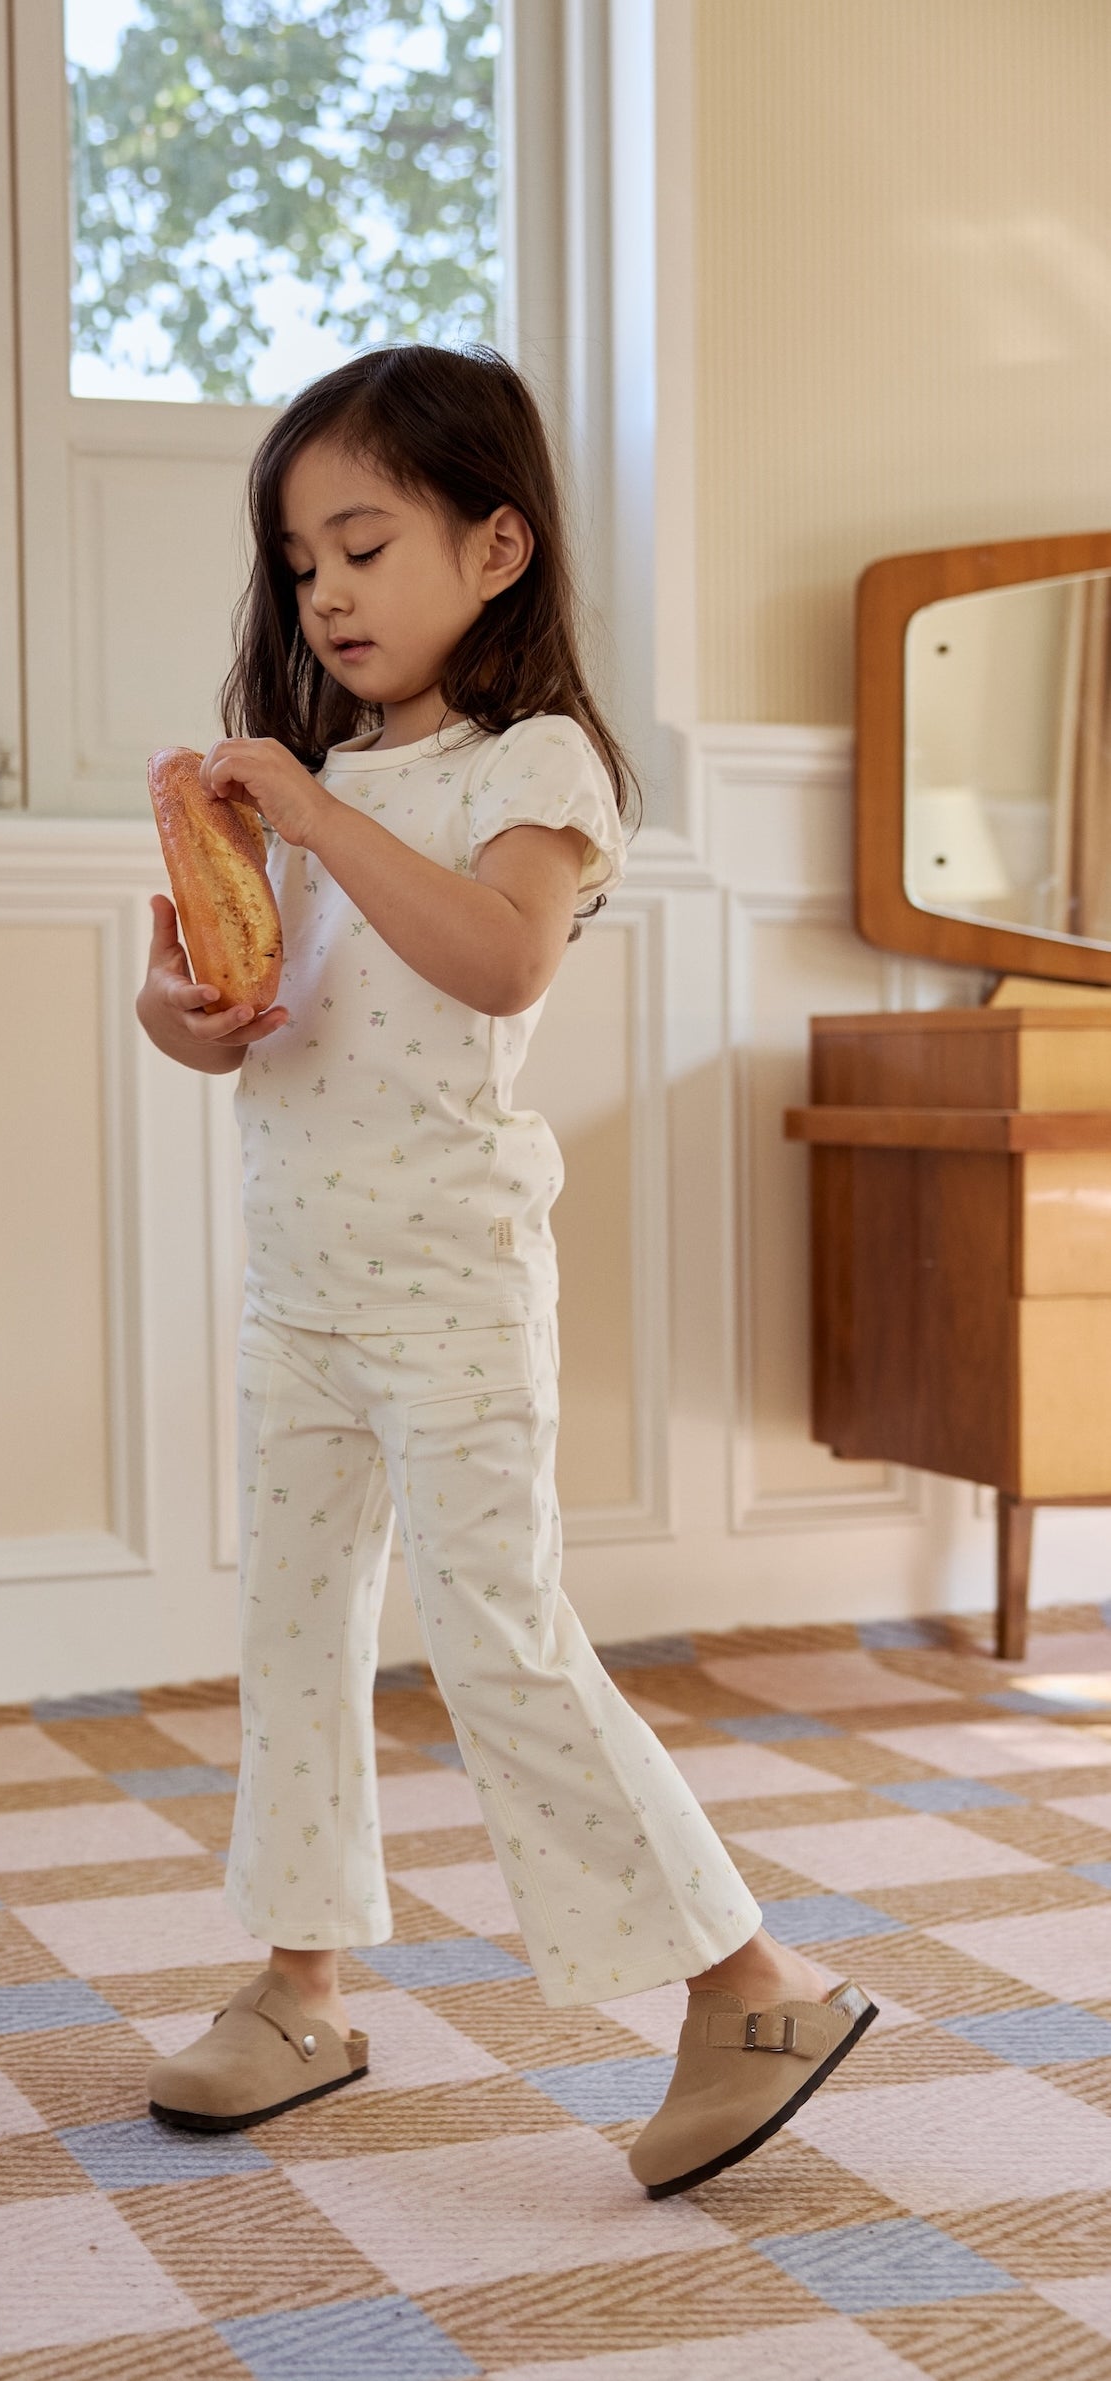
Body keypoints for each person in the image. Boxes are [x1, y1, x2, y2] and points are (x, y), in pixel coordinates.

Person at [132, 344, 874, 2199]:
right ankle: (301, 1986)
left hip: (452, 1291)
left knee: (498, 1634)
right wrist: (182, 1008)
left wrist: (310, 815)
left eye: (366, 544)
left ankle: (750, 1980)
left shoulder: (525, 770)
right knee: (291, 1635)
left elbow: (496, 963)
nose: (328, 592)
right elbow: (258, 1024)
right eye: (300, 562)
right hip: (293, 1282)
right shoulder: (308, 785)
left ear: (495, 545)